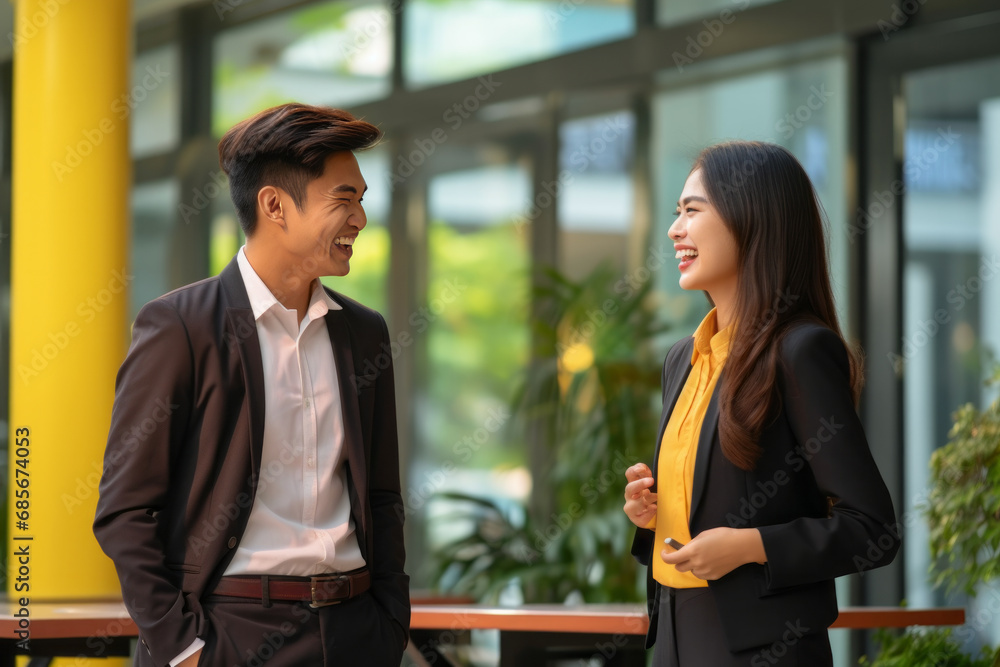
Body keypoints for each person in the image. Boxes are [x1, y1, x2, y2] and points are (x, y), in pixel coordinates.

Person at [94, 103, 409, 667]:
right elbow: (124, 510)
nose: (360, 218)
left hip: (356, 632)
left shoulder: (364, 334)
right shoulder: (182, 327)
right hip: (228, 634)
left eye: (362, 199)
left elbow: (382, 498)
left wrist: (388, 622)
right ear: (275, 205)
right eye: (345, 198)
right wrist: (183, 647)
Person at [622, 141, 899, 666]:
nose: (674, 229)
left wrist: (751, 546)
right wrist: (649, 513)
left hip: (763, 650)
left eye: (691, 210)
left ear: (752, 219)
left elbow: (873, 531)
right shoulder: (682, 359)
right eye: (676, 212)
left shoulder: (799, 351)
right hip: (675, 640)